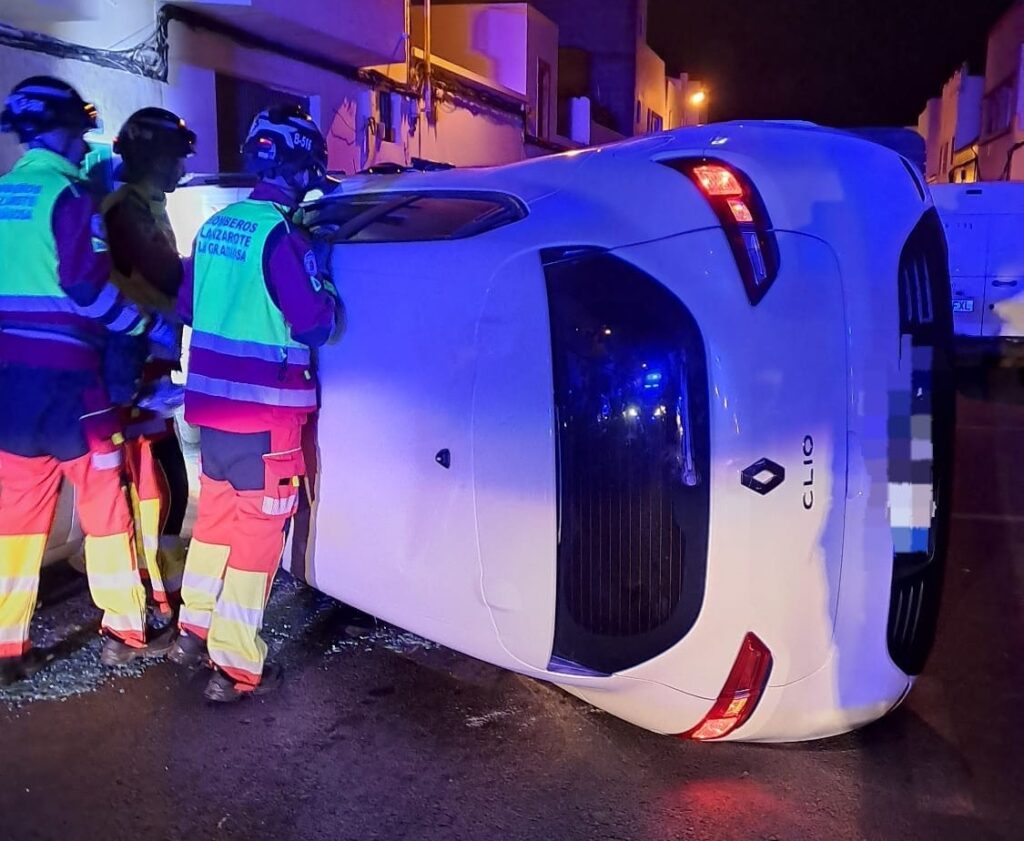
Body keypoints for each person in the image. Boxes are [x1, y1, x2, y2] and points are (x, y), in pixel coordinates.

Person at [0, 76, 179, 685]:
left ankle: (8, 646)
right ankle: (125, 631)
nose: (83, 146)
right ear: (56, 132)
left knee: (17, 519)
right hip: (73, 390)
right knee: (106, 507)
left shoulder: (4, 195)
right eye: (79, 134)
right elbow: (86, 290)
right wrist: (143, 323)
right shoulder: (69, 195)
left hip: (12, 390)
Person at [169, 104, 341, 702]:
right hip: (266, 417)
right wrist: (324, 279)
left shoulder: (215, 227)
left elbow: (186, 308)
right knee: (259, 536)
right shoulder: (282, 236)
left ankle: (192, 631)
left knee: (215, 524)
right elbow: (316, 325)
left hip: (211, 415)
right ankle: (237, 663)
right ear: (299, 166)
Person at [102, 107, 196, 618]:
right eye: (177, 157)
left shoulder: (145, 205)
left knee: (163, 489)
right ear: (154, 158)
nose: (182, 166)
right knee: (161, 489)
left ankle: (162, 592)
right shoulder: (127, 210)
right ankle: (157, 596)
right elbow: (164, 275)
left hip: (149, 370)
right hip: (134, 377)